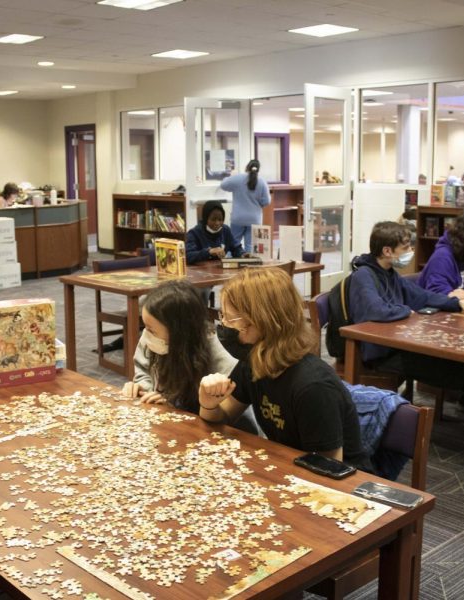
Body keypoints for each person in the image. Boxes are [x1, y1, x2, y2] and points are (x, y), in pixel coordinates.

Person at [197, 268, 364, 464]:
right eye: (222, 316)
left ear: (266, 322)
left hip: (339, 485)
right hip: (286, 467)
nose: (224, 326)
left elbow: (328, 470)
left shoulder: (313, 386)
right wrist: (208, 404)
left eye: (231, 320)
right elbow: (222, 419)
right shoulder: (252, 363)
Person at [347, 221, 464, 427]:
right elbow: (375, 310)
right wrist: (406, 311)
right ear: (387, 251)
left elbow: (421, 295)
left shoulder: (389, 273)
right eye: (406, 247)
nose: (410, 251)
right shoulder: (364, 275)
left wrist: (457, 303)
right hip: (382, 353)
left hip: (398, 343)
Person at [121, 280, 258, 433]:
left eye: (151, 330)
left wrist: (173, 410)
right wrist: (143, 391)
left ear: (179, 333)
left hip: (221, 432)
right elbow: (143, 372)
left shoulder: (222, 357)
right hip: (173, 427)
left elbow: (224, 415)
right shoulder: (153, 338)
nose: (146, 335)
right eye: (145, 326)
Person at [220, 159, 270, 251]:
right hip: (255, 219)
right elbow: (266, 201)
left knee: (234, 244)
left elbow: (223, 185)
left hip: (238, 218)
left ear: (247, 167)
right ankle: (249, 264)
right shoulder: (262, 182)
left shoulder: (238, 178)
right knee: (251, 247)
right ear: (258, 169)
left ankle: (233, 263)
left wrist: (230, 176)